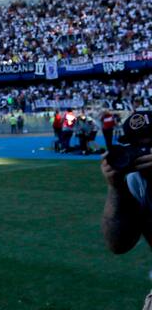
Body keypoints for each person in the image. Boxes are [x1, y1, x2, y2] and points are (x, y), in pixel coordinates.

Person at [101, 111, 152, 309]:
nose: (144, 151)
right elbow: (118, 244)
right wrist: (116, 188)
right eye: (137, 145)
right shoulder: (137, 179)